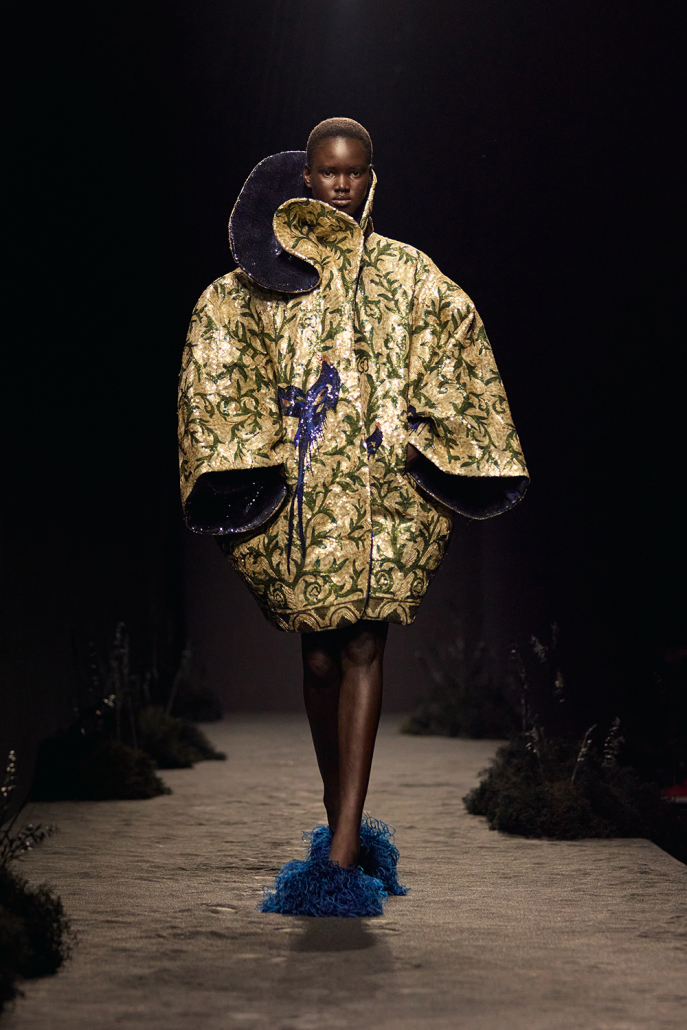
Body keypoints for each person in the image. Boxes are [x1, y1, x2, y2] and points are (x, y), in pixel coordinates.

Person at [178, 117, 528, 915]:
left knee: (364, 645)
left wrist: (417, 432)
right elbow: (221, 352)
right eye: (328, 171)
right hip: (304, 498)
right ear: (305, 176)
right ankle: (341, 814)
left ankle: (340, 851)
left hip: (380, 496)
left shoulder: (406, 274)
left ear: (371, 176)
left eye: (354, 171)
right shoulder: (258, 279)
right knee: (317, 661)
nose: (341, 184)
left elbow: (458, 348)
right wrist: (257, 448)